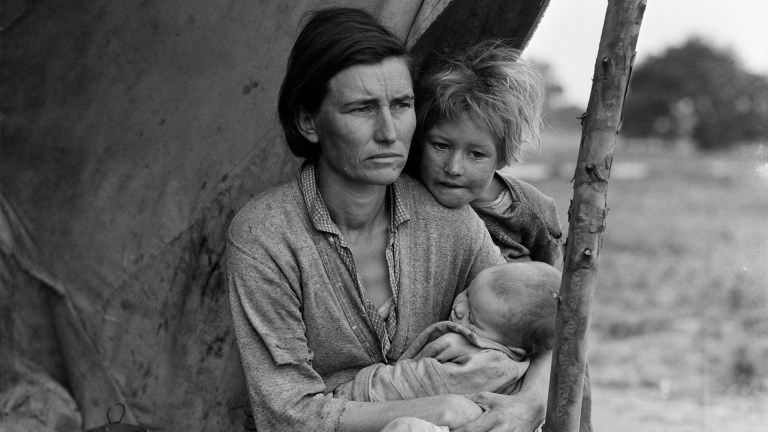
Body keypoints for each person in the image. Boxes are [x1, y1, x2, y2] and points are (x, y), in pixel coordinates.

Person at [226, 7, 551, 432]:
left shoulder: (449, 223)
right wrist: (437, 410)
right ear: (309, 122)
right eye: (362, 109)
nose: (388, 132)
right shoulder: (266, 237)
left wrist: (530, 404)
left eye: (401, 105)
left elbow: (537, 327)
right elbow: (287, 413)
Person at [409, 40, 563, 265]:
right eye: (441, 146)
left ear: (502, 157)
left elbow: (552, 272)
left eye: (476, 154)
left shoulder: (531, 208)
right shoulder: (406, 192)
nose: (453, 168)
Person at [334, 261, 560, 402]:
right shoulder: (489, 336)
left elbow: (416, 384)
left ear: (513, 348)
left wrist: (358, 391)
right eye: (468, 293)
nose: (459, 308)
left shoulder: (485, 366)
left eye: (472, 318)